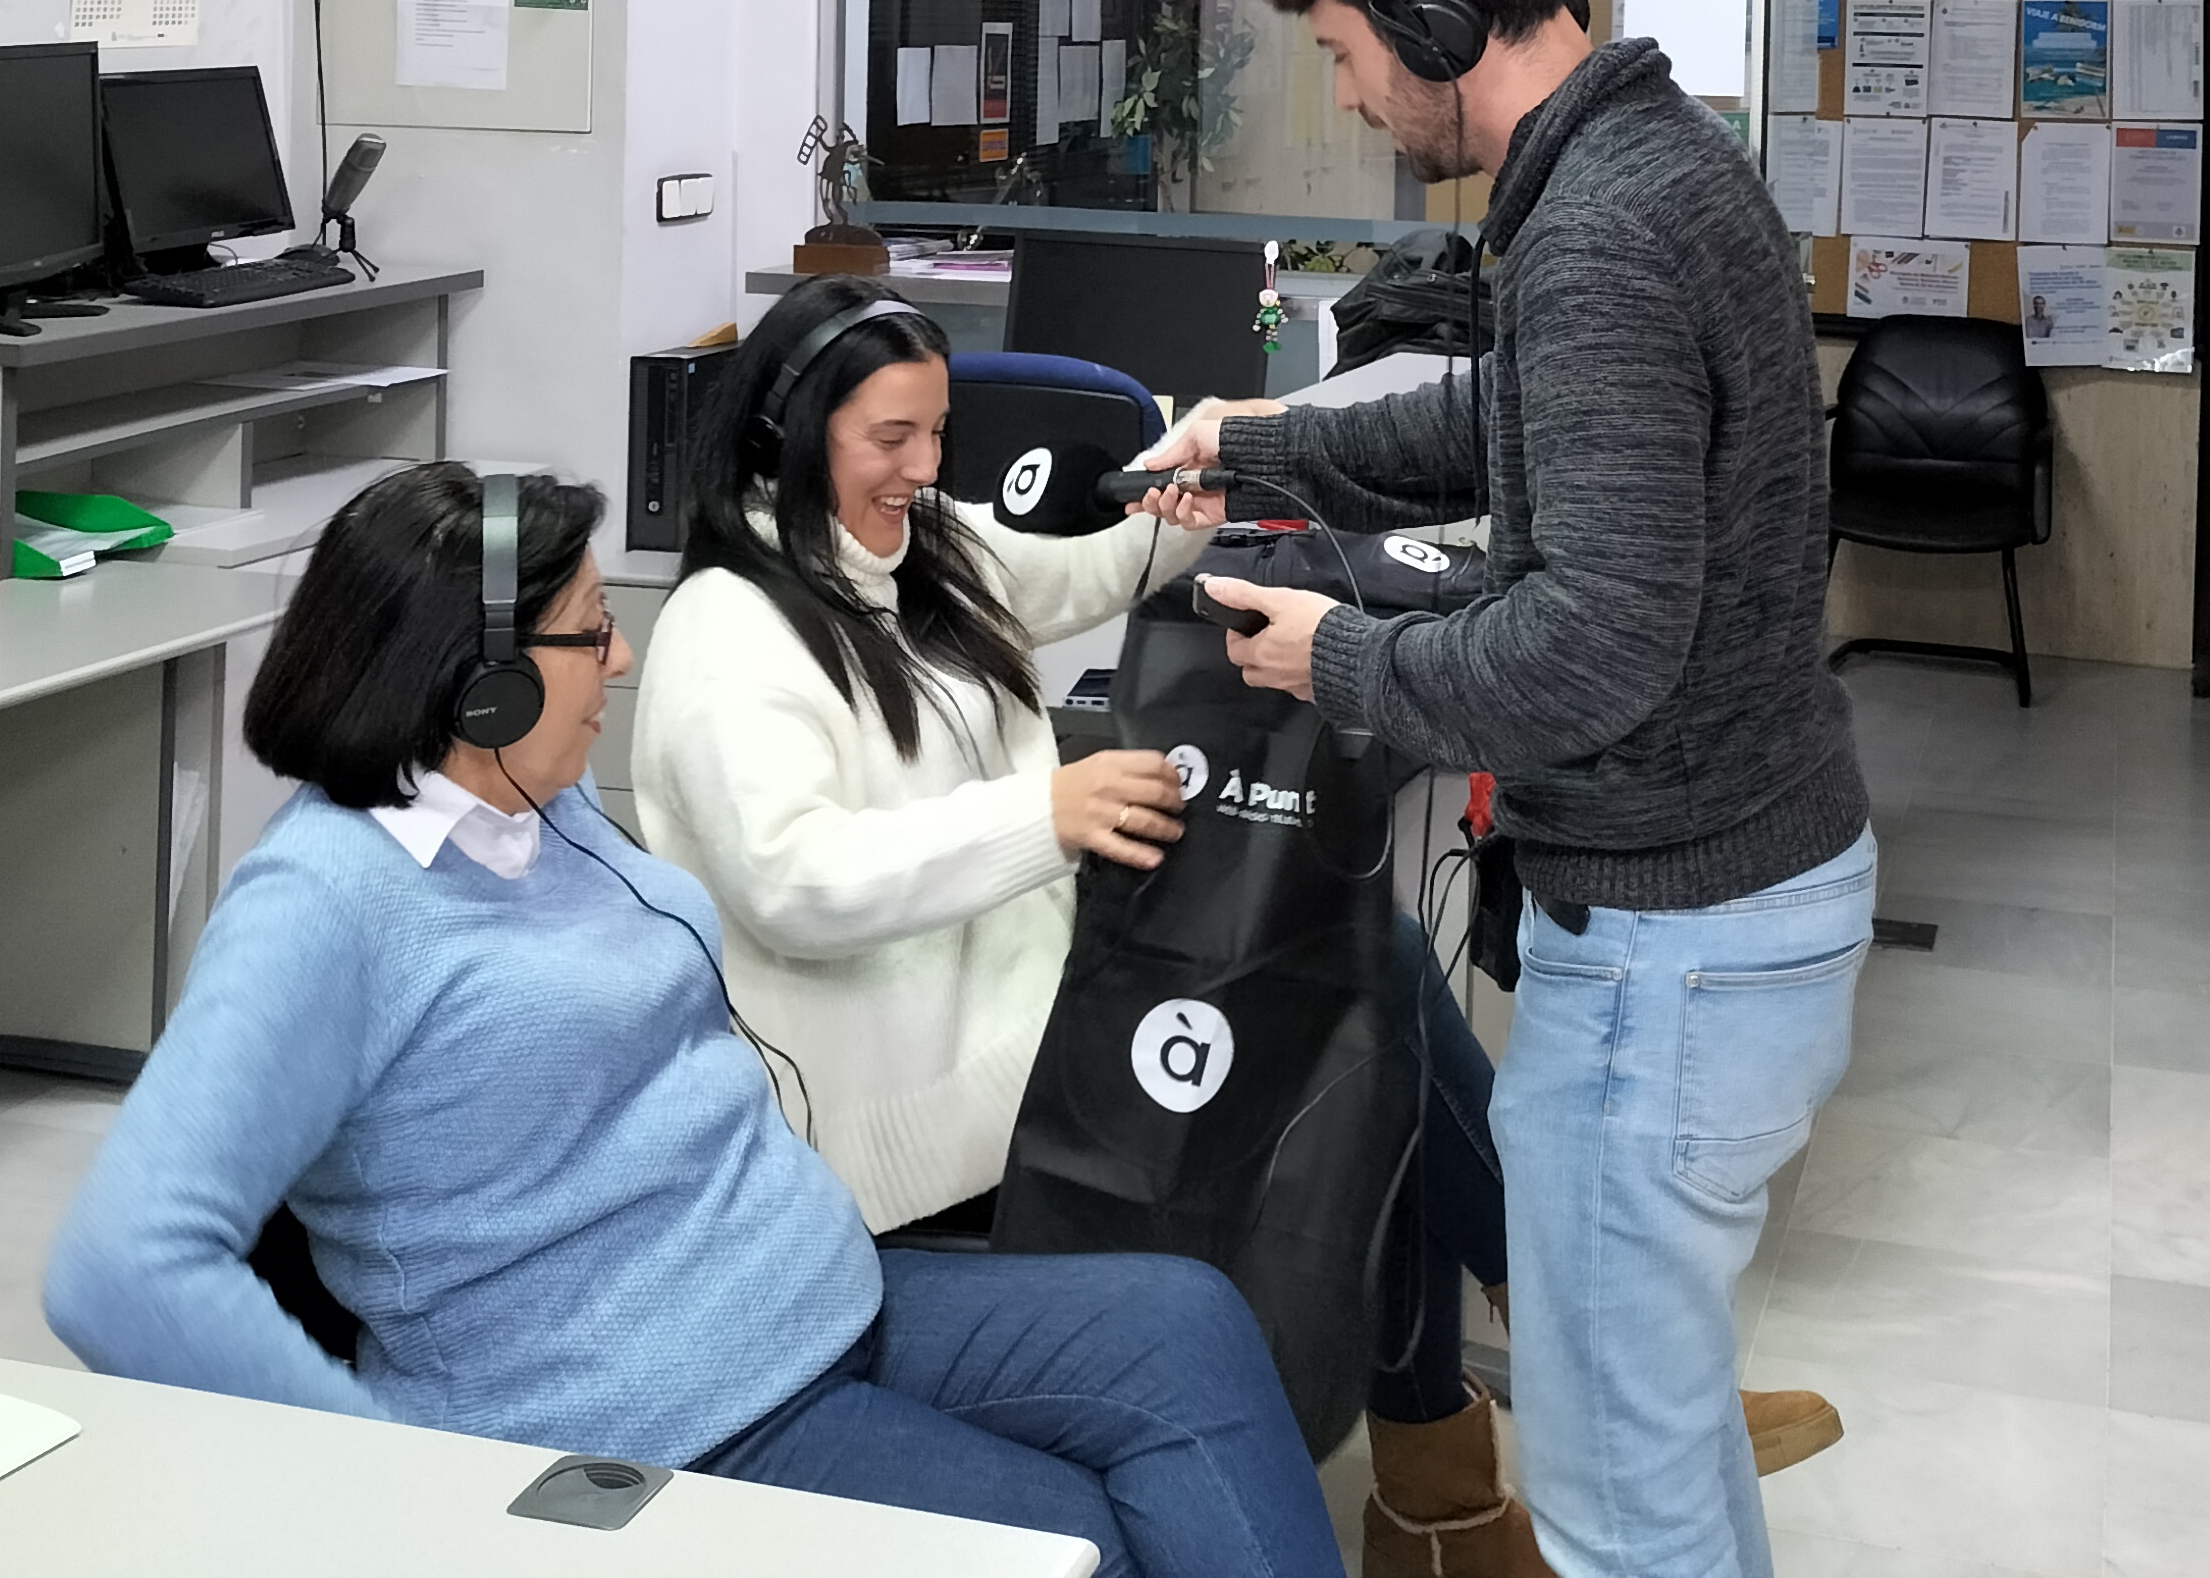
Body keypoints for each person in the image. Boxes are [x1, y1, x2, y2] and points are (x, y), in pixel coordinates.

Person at [42, 461, 1340, 1578]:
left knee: (1187, 1329)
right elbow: (120, 1267)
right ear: (481, 685)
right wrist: (391, 1481)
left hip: (806, 1290)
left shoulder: (534, 801)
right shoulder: (325, 903)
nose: (620, 660)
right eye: (591, 631)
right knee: (1077, 1544)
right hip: (652, 1407)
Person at [1133, 0, 1875, 1578]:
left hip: (1675, 946)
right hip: (1745, 899)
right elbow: (1504, 420)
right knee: (1669, 1458)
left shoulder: (1601, 229)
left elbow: (1593, 644)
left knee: (1621, 1518)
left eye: (1345, 54)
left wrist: (1336, 656)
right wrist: (1269, 444)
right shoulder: (1648, 166)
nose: (1349, 100)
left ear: (1439, 21)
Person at [630, 281, 1550, 1576]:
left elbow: (1072, 574)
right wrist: (1046, 815)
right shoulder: (730, 633)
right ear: (789, 433)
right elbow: (799, 881)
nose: (924, 468)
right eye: (891, 437)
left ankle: (1483, 1424)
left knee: (1354, 974)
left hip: (1037, 1010)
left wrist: (1173, 520)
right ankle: (1522, 1382)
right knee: (1356, 1007)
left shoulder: (917, 550)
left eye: (937, 434)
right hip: (931, 1121)